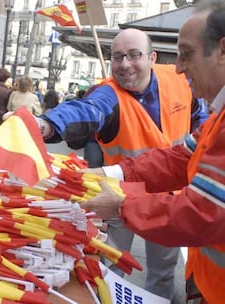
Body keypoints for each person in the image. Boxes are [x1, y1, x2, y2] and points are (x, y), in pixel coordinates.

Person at [33, 28, 209, 300]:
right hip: (118, 194)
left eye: (134, 55)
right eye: (117, 57)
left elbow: (199, 116)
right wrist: (45, 125)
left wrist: (202, 146)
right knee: (110, 262)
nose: (125, 64)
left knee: (162, 269)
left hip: (168, 198)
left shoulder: (179, 81)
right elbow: (86, 110)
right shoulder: (108, 94)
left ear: (152, 58)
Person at [82, 1, 225, 302]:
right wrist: (109, 173)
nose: (178, 67)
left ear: (222, 50)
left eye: (186, 55)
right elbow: (177, 159)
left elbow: (199, 214)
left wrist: (122, 203)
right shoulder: (217, 116)